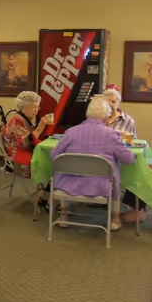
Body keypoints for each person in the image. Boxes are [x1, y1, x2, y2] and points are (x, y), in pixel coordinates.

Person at [50, 97, 135, 230]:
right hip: (102, 188)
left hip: (68, 186)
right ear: (107, 117)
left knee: (63, 171)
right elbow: (129, 160)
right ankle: (114, 219)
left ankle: (64, 216)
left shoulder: (70, 132)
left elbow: (53, 156)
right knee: (115, 171)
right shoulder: (111, 135)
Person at [2, 91, 53, 178]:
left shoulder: (24, 120)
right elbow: (25, 144)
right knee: (55, 161)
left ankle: (50, 186)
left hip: (24, 155)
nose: (36, 110)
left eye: (37, 107)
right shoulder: (16, 121)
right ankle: (51, 186)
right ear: (23, 108)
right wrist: (40, 126)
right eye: (33, 107)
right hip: (18, 163)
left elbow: (33, 139)